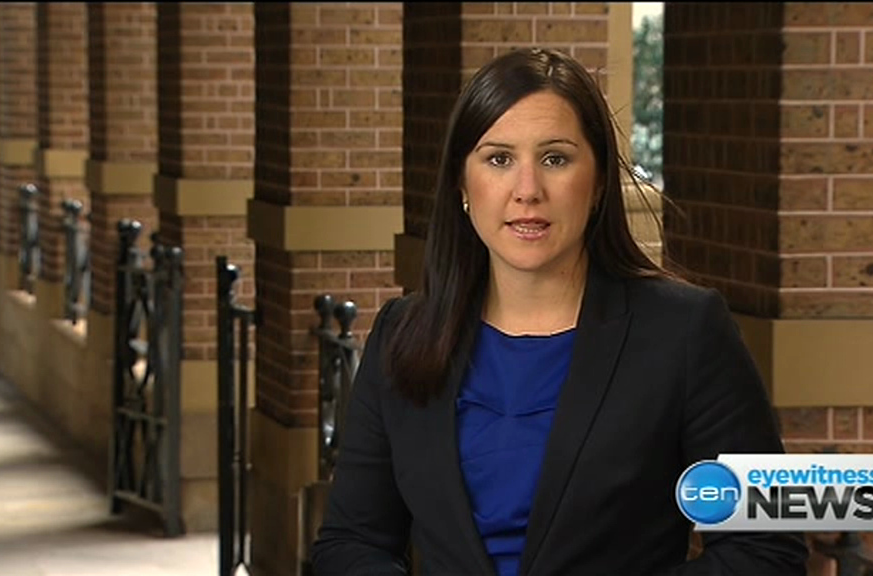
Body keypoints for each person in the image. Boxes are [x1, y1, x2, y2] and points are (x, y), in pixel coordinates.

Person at [311, 47, 809, 575]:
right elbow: (350, 542)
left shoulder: (685, 331)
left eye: (555, 159)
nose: (527, 191)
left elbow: (767, 551)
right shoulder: (401, 334)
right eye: (499, 159)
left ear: (597, 183)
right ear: (462, 183)